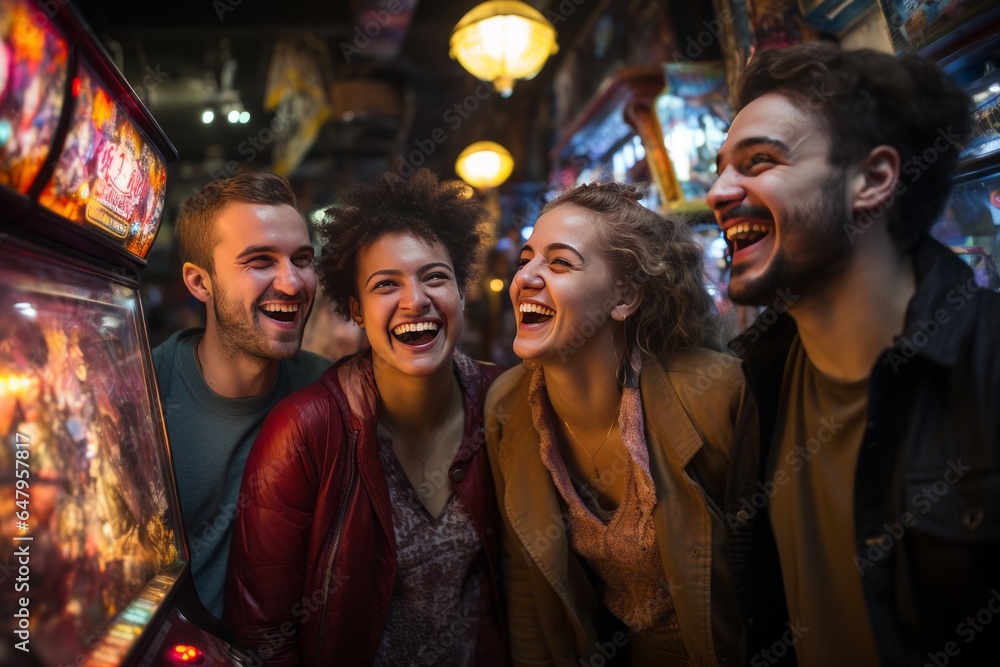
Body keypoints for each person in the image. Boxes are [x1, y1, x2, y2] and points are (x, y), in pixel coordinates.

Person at [708, 42, 1000, 664]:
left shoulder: (988, 368)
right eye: (720, 167)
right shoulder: (756, 386)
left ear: (872, 179)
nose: (717, 191)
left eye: (758, 162)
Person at [224, 169, 509, 665]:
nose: (414, 300)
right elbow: (262, 635)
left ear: (462, 291)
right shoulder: (304, 430)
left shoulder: (503, 403)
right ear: (355, 310)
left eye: (435, 277)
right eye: (386, 284)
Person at [485, 181, 749, 665]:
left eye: (560, 262)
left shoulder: (716, 395)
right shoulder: (507, 407)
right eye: (527, 258)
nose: (527, 276)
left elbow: (777, 577)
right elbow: (528, 588)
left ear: (624, 297)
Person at [152, 172, 331, 619]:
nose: (292, 284)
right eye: (260, 261)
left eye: (303, 259)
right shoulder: (138, 392)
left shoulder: (330, 393)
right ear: (199, 283)